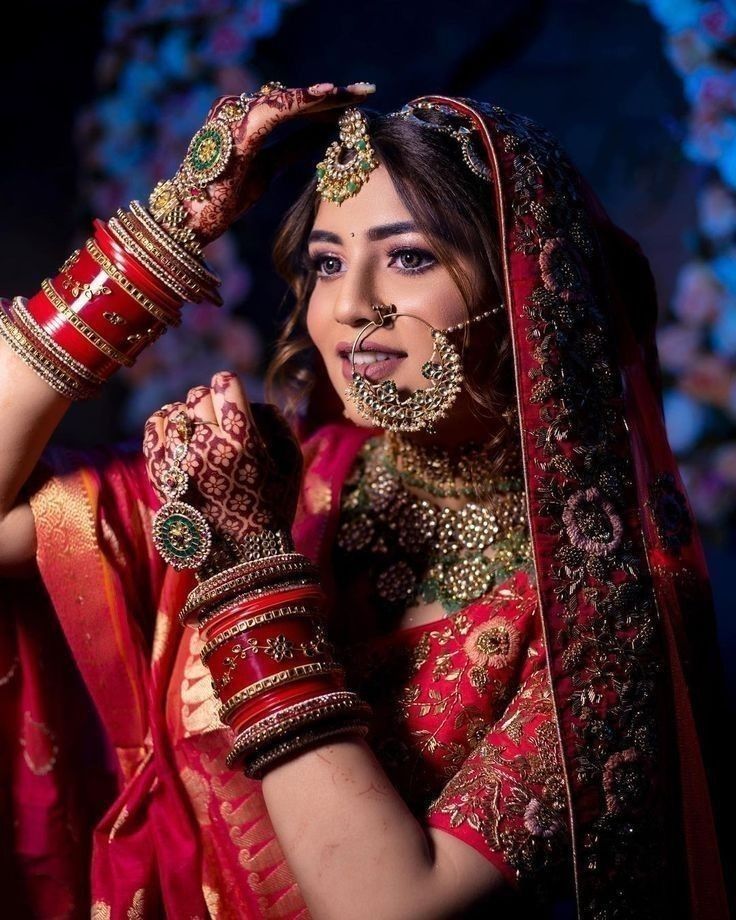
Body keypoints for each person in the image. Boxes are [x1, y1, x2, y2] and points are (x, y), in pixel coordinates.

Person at [0, 82, 730, 920]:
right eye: (327, 263)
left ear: (524, 287)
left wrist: (245, 567)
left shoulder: (604, 608)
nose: (347, 310)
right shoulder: (276, 471)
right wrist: (172, 226)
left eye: (409, 257)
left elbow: (382, 904)